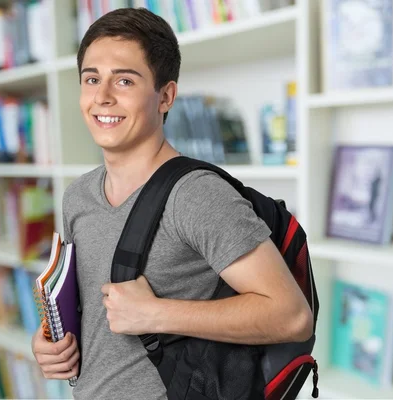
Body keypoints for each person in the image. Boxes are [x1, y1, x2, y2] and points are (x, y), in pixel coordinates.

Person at [31, 7, 313, 400]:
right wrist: (51, 345)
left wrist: (154, 314)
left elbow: (291, 316)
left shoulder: (196, 195)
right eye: (91, 79)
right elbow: (93, 314)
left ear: (165, 96)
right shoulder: (77, 195)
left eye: (124, 80)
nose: (102, 97)